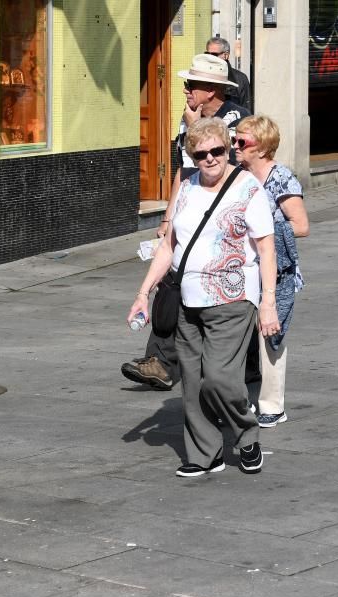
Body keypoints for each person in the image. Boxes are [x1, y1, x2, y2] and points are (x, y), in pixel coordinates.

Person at [128, 117, 278, 477]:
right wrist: (142, 293)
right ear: (192, 156)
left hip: (233, 297)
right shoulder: (188, 187)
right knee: (193, 382)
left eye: (218, 151)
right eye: (201, 153)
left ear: (228, 149)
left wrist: (268, 302)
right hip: (188, 300)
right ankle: (204, 454)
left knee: (219, 378)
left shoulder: (248, 189)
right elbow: (169, 245)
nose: (210, 158)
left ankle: (246, 435)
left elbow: (266, 248)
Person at [121, 53, 251, 390]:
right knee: (170, 286)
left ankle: (232, 366)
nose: (186, 90)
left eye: (191, 85)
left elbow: (224, 171)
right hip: (190, 217)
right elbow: (186, 170)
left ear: (211, 89)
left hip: (222, 225)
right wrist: (169, 217)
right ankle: (161, 362)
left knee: (206, 297)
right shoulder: (191, 119)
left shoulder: (235, 121)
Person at [234, 115, 310, 428]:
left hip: (276, 271)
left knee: (270, 336)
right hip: (241, 269)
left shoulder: (282, 179)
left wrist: (263, 231)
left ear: (263, 147)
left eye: (242, 141)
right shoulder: (237, 176)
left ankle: (272, 405)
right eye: (234, 139)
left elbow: (301, 226)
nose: (235, 146)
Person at [204, 36, 251, 111]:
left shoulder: (240, 78)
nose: (210, 58)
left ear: (226, 55)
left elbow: (246, 109)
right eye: (207, 54)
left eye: (214, 55)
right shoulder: (201, 76)